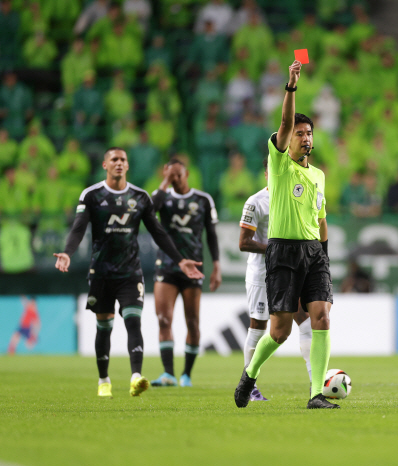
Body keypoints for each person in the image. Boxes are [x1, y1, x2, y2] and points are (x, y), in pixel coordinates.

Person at [54, 148, 204, 398]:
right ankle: (104, 380)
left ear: (128, 165)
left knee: (133, 321)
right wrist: (68, 252)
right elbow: (79, 228)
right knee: (104, 327)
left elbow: (158, 232)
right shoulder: (91, 195)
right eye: (114, 159)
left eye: (123, 159)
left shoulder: (140, 197)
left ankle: (136, 376)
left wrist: (179, 260)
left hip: (130, 273)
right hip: (101, 273)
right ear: (105, 164)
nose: (119, 163)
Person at [234, 60, 337, 409]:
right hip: (282, 252)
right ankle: (249, 375)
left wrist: (324, 253)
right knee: (279, 331)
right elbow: (283, 121)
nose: (305, 137)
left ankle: (316, 394)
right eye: (299, 133)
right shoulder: (279, 166)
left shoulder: (320, 176)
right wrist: (291, 86)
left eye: (309, 133)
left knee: (321, 317)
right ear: (287, 139)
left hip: (313, 252)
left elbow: (321, 219)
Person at [239, 158, 313, 401]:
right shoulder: (256, 202)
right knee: (259, 327)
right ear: (266, 174)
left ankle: (317, 382)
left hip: (291, 272)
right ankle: (250, 385)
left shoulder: (294, 197)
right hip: (262, 274)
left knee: (306, 320)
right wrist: (276, 250)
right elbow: (243, 243)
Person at [149, 158, 222, 388]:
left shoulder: (203, 199)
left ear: (187, 173)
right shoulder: (162, 196)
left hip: (193, 268)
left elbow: (211, 234)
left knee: (192, 321)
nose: (175, 179)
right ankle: (168, 373)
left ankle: (187, 374)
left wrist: (216, 265)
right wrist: (165, 182)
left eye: (179, 175)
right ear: (165, 174)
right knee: (163, 319)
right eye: (171, 175)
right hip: (167, 266)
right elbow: (150, 211)